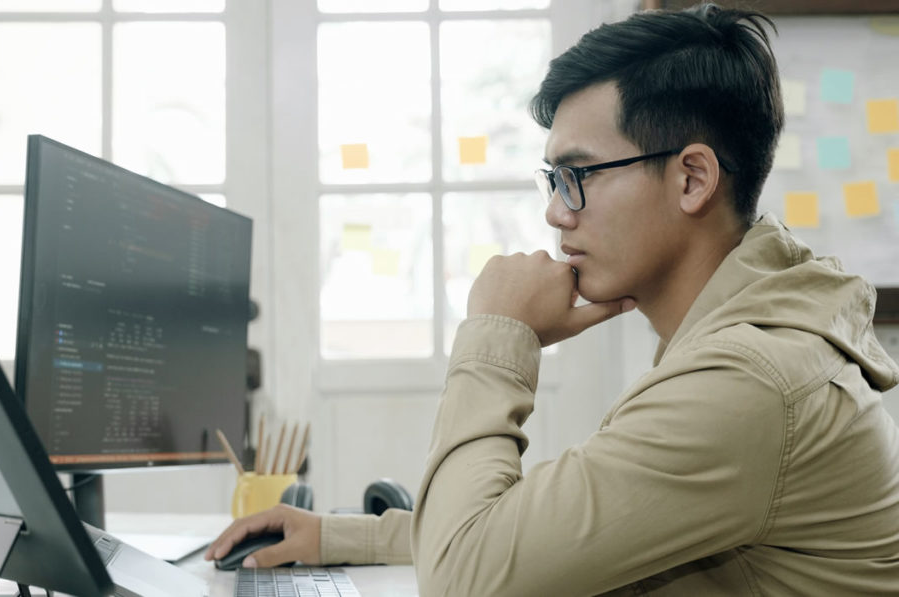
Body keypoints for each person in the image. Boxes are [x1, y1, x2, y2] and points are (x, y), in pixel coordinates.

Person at [206, 3, 899, 594]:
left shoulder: (750, 380)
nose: (556, 214)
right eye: (553, 180)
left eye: (578, 176)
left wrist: (496, 331)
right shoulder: (750, 338)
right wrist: (336, 534)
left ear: (692, 179)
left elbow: (467, 576)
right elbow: (547, 533)